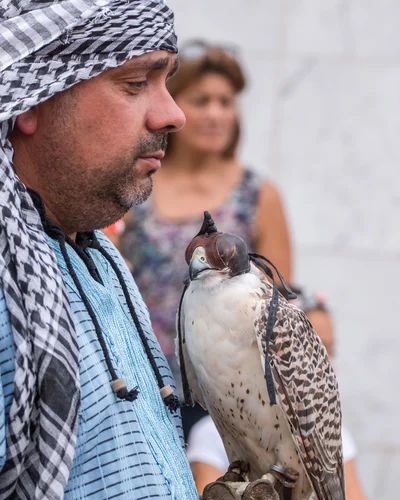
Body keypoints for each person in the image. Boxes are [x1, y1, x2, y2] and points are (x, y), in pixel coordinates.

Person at [0, 3, 289, 500]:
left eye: (166, 79)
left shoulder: (98, 254)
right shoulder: (11, 277)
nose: (173, 112)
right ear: (30, 98)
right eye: (136, 82)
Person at [120, 40, 292, 439]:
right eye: (201, 100)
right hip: (143, 380)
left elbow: (278, 301)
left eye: (226, 102)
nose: (216, 114)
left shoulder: (258, 195)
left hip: (226, 389)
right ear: (174, 108)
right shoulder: (135, 184)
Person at [187, 290, 371, 500]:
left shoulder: (333, 431)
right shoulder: (216, 427)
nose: (324, 365)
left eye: (330, 351)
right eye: (316, 349)